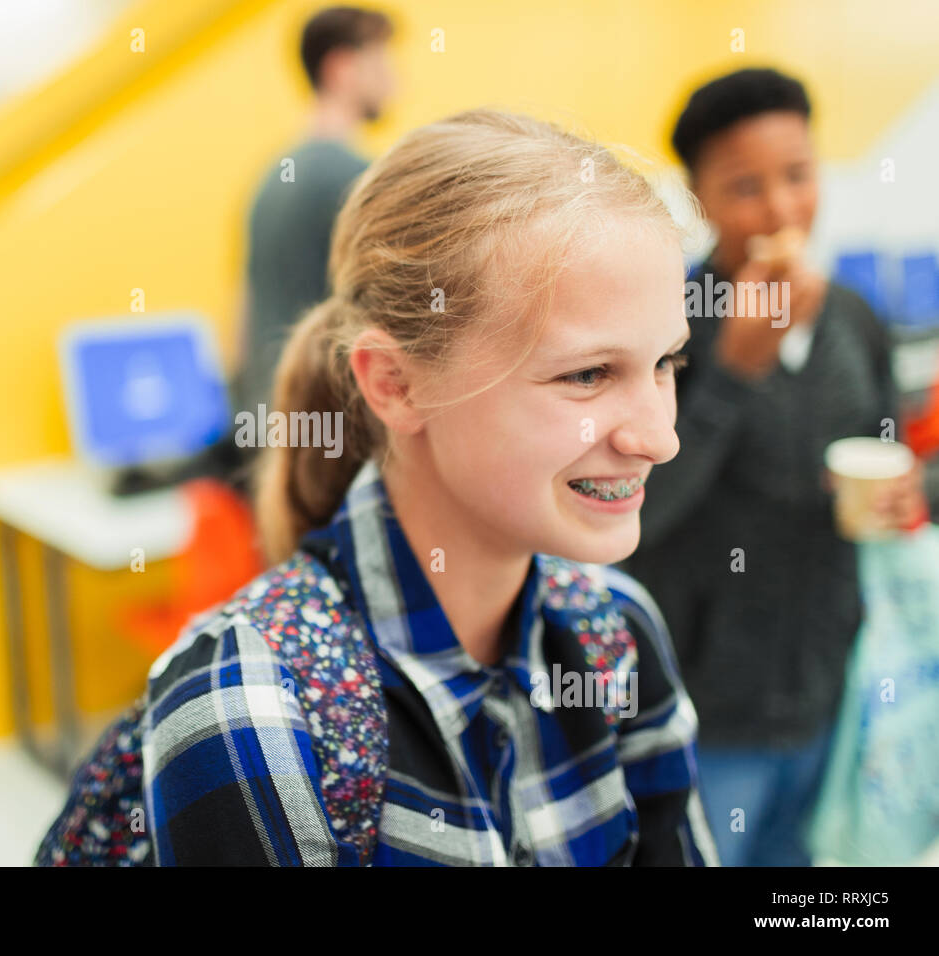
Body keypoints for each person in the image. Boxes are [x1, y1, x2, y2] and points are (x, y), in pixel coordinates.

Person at [140, 108, 719, 865]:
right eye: (587, 374)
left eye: (666, 363)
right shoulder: (248, 707)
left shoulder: (619, 633)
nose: (660, 438)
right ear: (395, 384)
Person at [616, 67, 932, 867]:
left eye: (798, 175)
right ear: (700, 199)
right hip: (705, 703)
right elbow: (638, 515)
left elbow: (893, 443)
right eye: (745, 187)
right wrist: (734, 373)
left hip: (830, 687)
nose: (783, 209)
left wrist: (908, 491)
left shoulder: (852, 317)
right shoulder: (665, 325)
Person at [222, 6, 396, 493]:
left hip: (266, 431)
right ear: (341, 68)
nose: (394, 78)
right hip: (327, 439)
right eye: (382, 60)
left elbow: (241, 318)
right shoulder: (355, 178)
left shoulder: (270, 179)